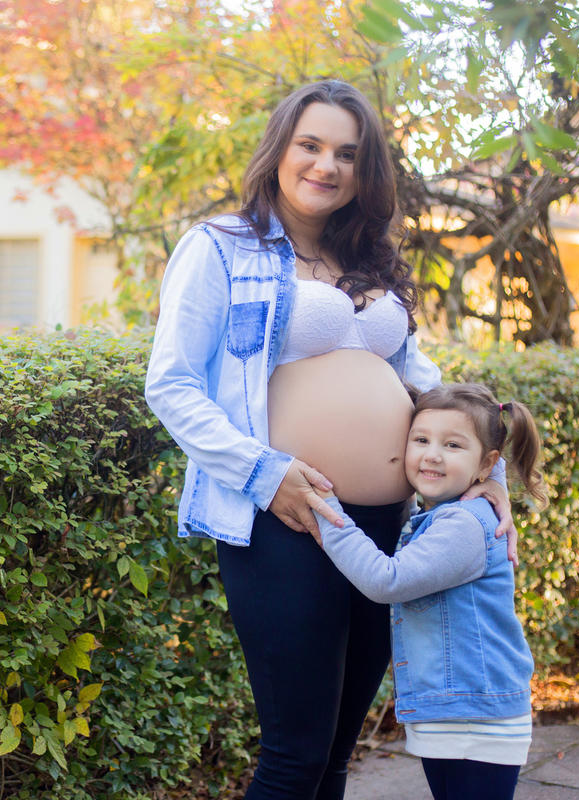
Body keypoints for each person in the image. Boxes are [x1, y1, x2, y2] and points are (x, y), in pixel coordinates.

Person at [144, 79, 516, 799]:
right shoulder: (220, 247)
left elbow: (422, 385)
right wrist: (265, 475)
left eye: (347, 153)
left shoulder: (371, 257)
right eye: (310, 145)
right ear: (280, 149)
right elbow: (173, 384)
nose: (326, 165)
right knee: (295, 755)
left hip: (387, 529)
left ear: (364, 170)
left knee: (337, 756)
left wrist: (484, 472)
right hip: (286, 519)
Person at [314, 384, 546, 800]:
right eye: (420, 440)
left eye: (453, 445)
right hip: (452, 710)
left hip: (477, 714)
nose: (432, 454)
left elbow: (388, 581)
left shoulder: (463, 525)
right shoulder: (437, 517)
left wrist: (328, 513)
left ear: (487, 465)